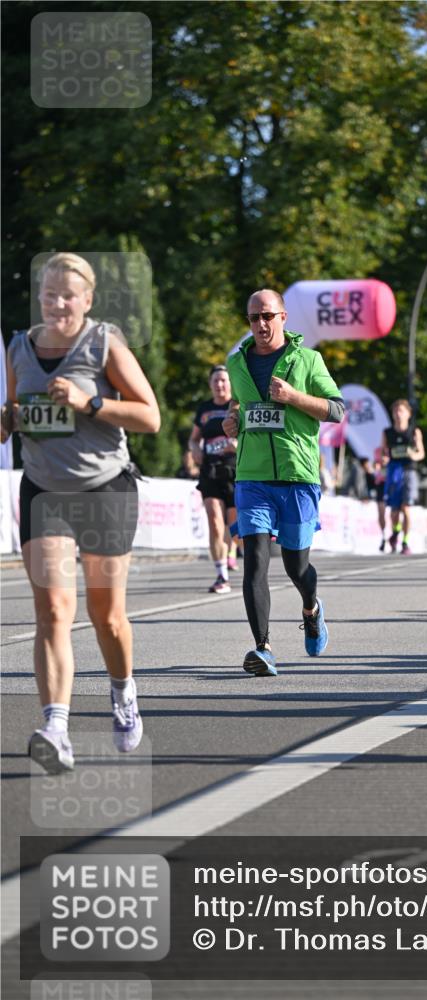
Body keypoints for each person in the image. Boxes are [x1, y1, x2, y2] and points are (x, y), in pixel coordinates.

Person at [1, 252, 160, 773]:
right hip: (44, 491)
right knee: (52, 611)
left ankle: (123, 693)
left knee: (107, 617)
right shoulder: (19, 348)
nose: (58, 304)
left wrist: (88, 403)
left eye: (68, 296)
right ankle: (56, 727)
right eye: (49, 295)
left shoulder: (103, 343)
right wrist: (8, 420)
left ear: (87, 300)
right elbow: (14, 414)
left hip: (104, 489)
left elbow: (149, 416)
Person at [223, 288, 344, 677]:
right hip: (252, 476)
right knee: (254, 561)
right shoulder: (236, 363)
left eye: (267, 316)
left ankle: (311, 607)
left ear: (283, 318)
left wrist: (293, 397)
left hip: (297, 475)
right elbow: (240, 408)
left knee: (296, 567)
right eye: (254, 318)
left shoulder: (308, 360)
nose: (260, 324)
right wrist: (233, 421)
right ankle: (263, 648)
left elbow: (336, 410)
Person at [188, 364, 239, 594]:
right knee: (215, 522)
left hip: (235, 470)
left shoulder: (237, 405)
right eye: (215, 381)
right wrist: (195, 450)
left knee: (233, 526)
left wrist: (237, 444)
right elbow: (193, 439)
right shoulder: (204, 409)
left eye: (224, 381)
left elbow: (251, 433)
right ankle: (221, 576)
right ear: (210, 385)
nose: (219, 384)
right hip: (210, 469)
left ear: (230, 384)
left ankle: (231, 553)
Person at [381, 399, 425, 555]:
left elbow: (421, 453)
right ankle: (395, 531)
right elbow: (383, 453)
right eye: (395, 411)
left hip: (409, 470)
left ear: (408, 414)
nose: (398, 414)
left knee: (406, 508)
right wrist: (384, 459)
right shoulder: (387, 433)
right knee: (394, 511)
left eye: (401, 411)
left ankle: (405, 541)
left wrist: (414, 454)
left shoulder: (414, 432)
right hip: (394, 471)